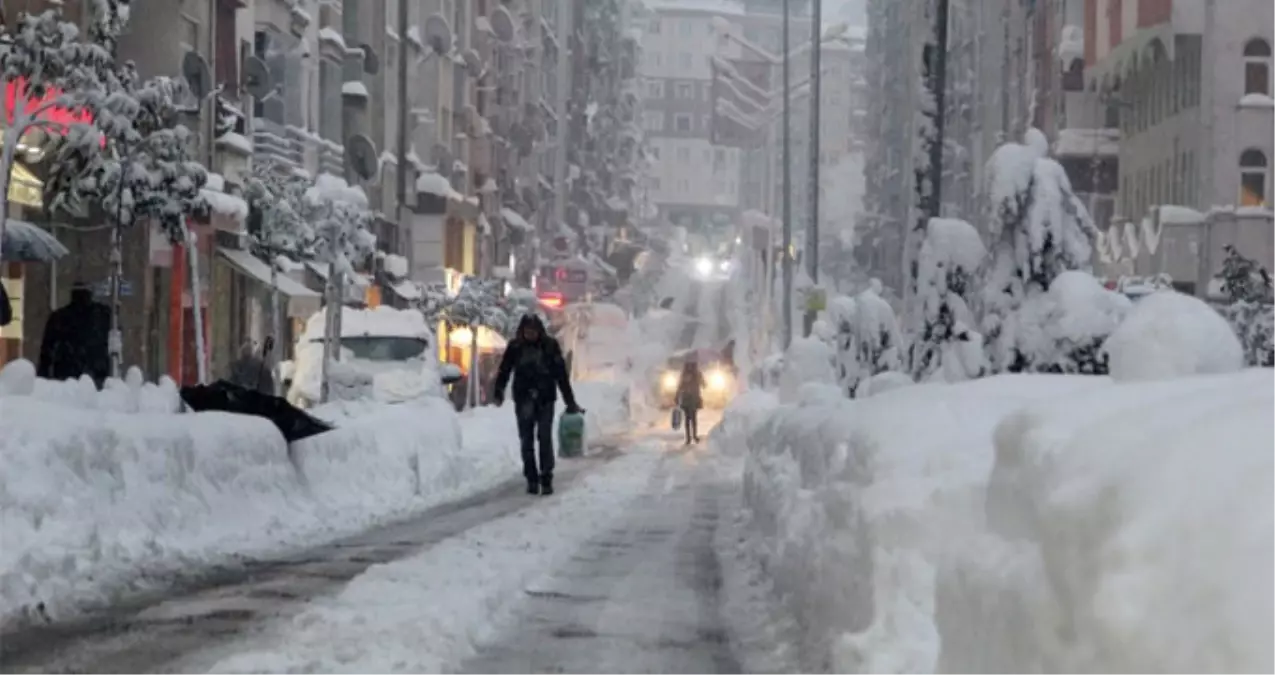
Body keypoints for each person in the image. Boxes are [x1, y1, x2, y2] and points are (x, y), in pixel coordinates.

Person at [492, 313, 583, 496]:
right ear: (522, 331)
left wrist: (569, 401)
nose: (530, 334)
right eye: (527, 331)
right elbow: (504, 370)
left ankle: (546, 476)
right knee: (526, 440)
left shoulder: (549, 346)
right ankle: (531, 478)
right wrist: (498, 391)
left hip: (545, 399)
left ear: (539, 331)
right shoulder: (515, 347)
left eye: (533, 331)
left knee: (544, 437)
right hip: (524, 399)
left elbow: (561, 375)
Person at [38, 281, 110, 387]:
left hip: (65, 377)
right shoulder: (104, 315)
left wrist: (42, 378)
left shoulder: (58, 318)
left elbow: (46, 352)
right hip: (97, 377)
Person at [676, 359, 705, 444]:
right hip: (693, 398)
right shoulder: (697, 374)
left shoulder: (685, 374)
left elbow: (680, 386)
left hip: (687, 398)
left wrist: (677, 396)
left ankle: (689, 437)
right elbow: (704, 384)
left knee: (688, 419)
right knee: (693, 418)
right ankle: (694, 436)